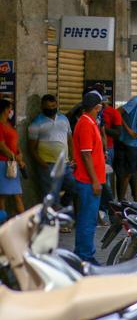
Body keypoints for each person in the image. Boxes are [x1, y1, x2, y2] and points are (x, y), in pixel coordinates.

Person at [72, 92, 106, 263]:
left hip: (90, 180)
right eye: (101, 105)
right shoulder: (86, 124)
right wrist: (94, 181)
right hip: (88, 181)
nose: (102, 108)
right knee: (88, 220)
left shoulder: (89, 122)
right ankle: (85, 256)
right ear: (96, 107)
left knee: (87, 219)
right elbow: (86, 155)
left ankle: (82, 253)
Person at [28, 94, 76, 203]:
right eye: (48, 107)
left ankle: (62, 208)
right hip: (48, 165)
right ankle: (51, 217)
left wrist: (73, 157)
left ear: (57, 105)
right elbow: (31, 148)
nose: (51, 109)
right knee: (51, 196)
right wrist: (43, 164)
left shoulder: (64, 119)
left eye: (53, 106)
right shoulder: (36, 123)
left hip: (65, 164)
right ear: (42, 107)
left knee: (73, 186)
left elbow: (70, 140)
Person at [0, 99, 25, 215]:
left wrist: (19, 154)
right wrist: (15, 157)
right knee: (3, 195)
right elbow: (2, 146)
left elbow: (16, 143)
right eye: (9, 108)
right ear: (4, 110)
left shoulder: (9, 124)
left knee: (17, 194)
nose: (11, 111)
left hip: (12, 164)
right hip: (3, 164)